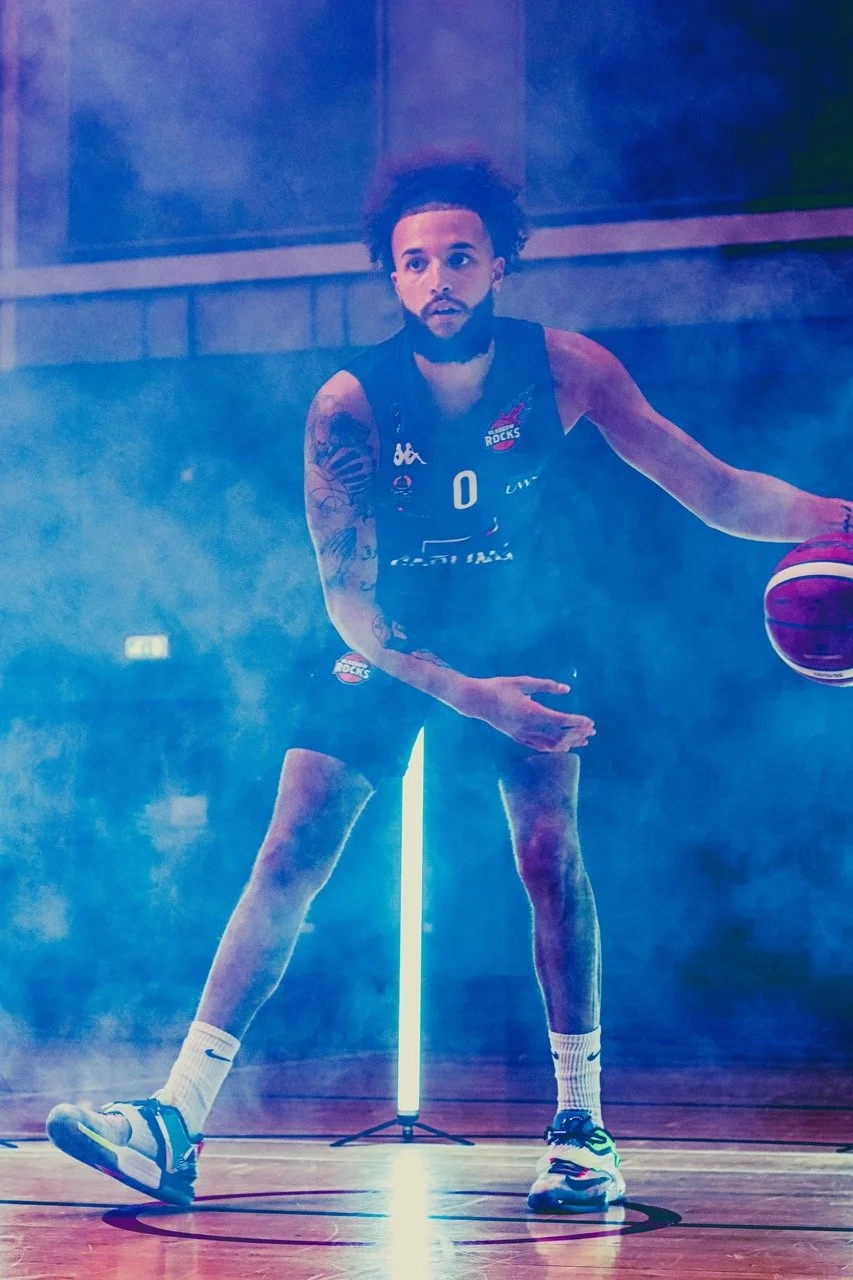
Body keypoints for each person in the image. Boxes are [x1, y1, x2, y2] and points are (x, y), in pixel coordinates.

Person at [46, 152, 853, 1213]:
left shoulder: (567, 369)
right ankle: (173, 1117)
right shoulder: (348, 404)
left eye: (458, 257)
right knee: (290, 849)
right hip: (391, 631)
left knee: (548, 854)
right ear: (389, 276)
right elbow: (346, 603)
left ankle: (578, 1127)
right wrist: (472, 693)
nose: (437, 279)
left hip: (520, 623)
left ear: (500, 263)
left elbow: (709, 486)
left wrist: (837, 520)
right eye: (414, 261)